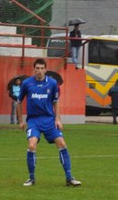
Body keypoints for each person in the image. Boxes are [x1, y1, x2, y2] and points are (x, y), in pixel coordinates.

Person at [16, 58, 81, 187]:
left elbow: (55, 102)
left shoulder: (52, 83)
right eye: (37, 68)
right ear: (33, 69)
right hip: (34, 121)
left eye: (42, 68)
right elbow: (18, 102)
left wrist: (58, 119)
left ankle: (69, 178)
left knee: (62, 143)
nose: (39, 71)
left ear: (45, 69)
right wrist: (21, 121)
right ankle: (31, 178)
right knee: (32, 145)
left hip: (49, 120)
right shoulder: (27, 83)